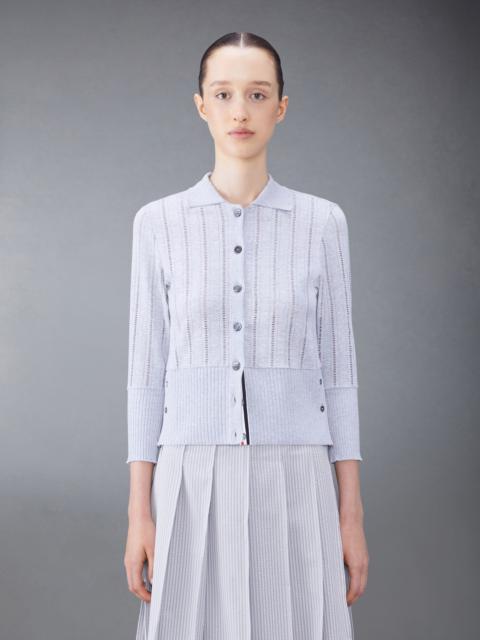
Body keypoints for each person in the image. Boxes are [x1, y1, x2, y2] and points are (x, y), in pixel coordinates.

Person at [123, 31, 369, 639]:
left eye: (257, 95)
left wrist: (351, 515)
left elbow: (339, 377)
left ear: (280, 107)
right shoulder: (158, 224)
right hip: (189, 475)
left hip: (298, 476)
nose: (240, 111)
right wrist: (138, 514)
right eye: (223, 94)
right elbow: (145, 378)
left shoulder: (322, 223)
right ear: (201, 106)